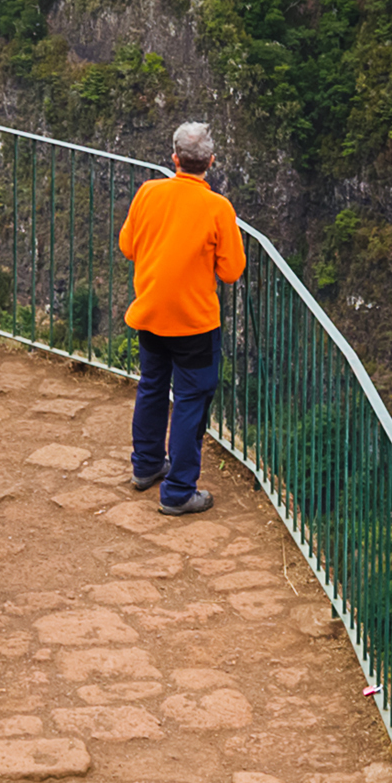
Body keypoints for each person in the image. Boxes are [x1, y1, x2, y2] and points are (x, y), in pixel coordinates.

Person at [115, 120, 242, 516]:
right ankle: (179, 491)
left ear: (174, 158)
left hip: (151, 313)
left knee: (152, 387)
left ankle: (147, 466)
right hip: (194, 324)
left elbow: (128, 246)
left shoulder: (149, 192)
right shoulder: (218, 207)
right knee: (190, 401)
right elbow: (231, 271)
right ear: (211, 162)